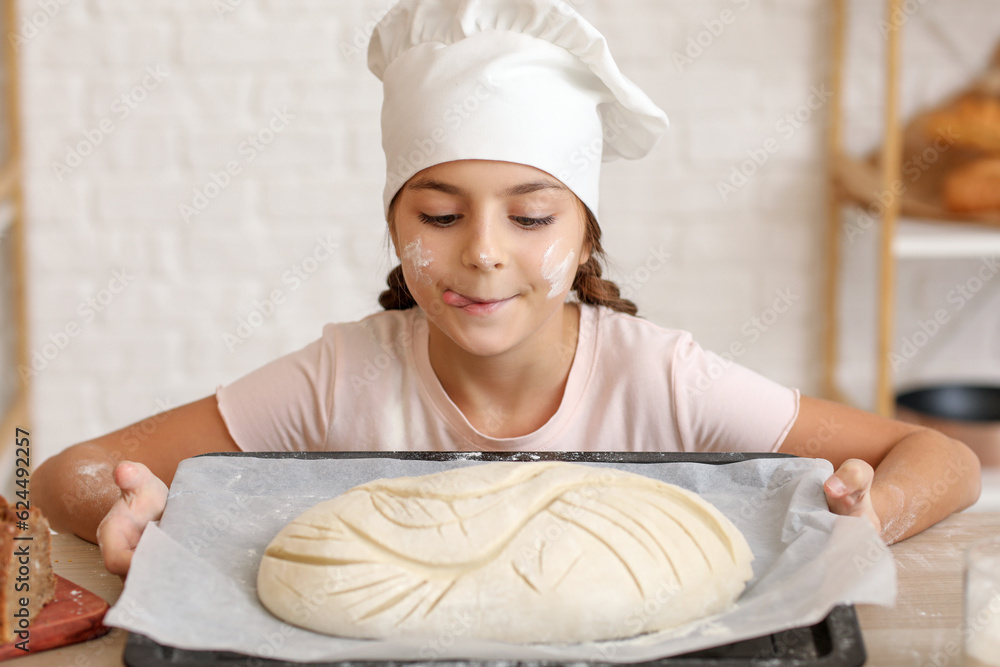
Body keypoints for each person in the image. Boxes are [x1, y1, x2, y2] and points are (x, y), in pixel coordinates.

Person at [33, 0, 980, 577]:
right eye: (440, 217)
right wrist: (132, 511)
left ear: (584, 235)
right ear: (396, 228)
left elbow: (940, 455)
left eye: (531, 219)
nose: (484, 253)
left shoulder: (663, 380)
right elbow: (64, 469)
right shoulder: (344, 379)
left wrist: (868, 517)